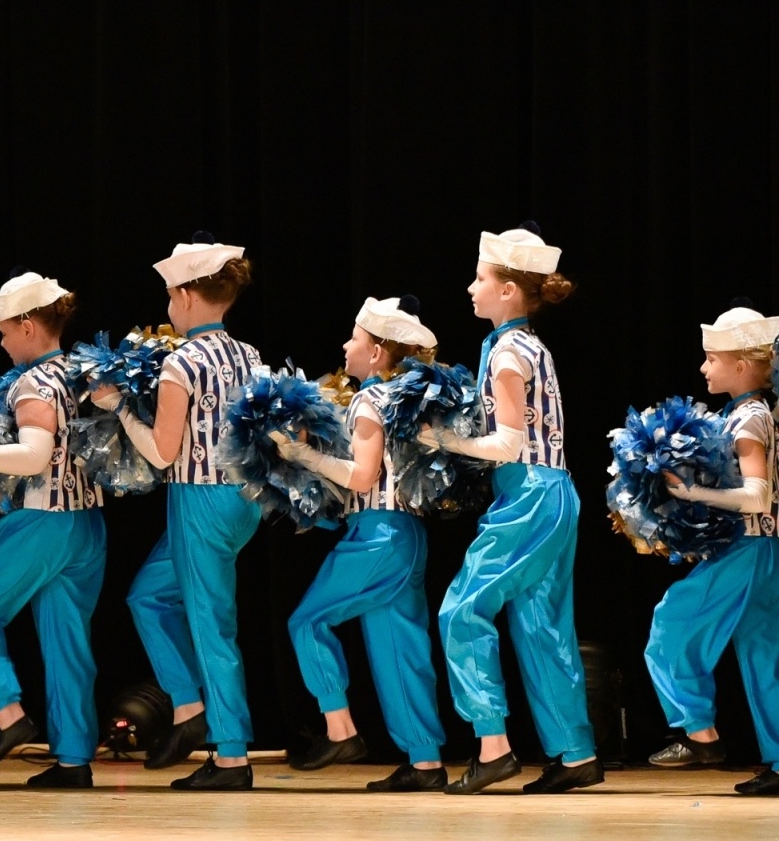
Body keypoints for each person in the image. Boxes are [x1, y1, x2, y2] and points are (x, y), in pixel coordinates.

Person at [422, 224, 600, 794]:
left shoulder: (507, 352)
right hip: (551, 490)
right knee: (541, 624)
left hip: (529, 495)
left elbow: (507, 444)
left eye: (480, 278)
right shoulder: (526, 345)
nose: (470, 288)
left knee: (461, 610)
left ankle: (493, 745)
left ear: (507, 290)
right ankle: (576, 753)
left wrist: (441, 439)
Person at [98, 235, 265, 790]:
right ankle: (190, 708)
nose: (168, 305)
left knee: (211, 624)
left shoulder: (182, 362)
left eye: (171, 294)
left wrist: (119, 407)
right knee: (148, 596)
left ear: (188, 296)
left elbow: (162, 453)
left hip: (201, 498)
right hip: (242, 497)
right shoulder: (248, 355)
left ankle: (232, 757)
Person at [277, 296, 448, 791]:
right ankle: (425, 762)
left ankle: (340, 728)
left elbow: (362, 475)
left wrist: (301, 454)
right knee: (400, 649)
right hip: (406, 532)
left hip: (379, 534)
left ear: (376, 354)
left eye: (355, 339)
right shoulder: (404, 398)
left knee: (308, 620)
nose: (345, 346)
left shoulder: (370, 400)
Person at [0, 272, 107, 788]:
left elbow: (35, 456)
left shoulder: (34, 382)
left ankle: (9, 715)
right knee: (67, 642)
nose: (2, 342)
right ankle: (74, 761)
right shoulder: (79, 374)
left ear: (28, 326)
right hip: (86, 522)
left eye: (5, 331)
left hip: (42, 519)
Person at [644, 303, 778, 797]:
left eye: (712, 359)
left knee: (671, 623)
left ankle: (698, 732)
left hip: (746, 547)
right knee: (763, 656)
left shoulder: (749, 419)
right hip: (764, 549)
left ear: (740, 366)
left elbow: (756, 495)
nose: (704, 368)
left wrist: (691, 493)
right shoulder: (749, 414)